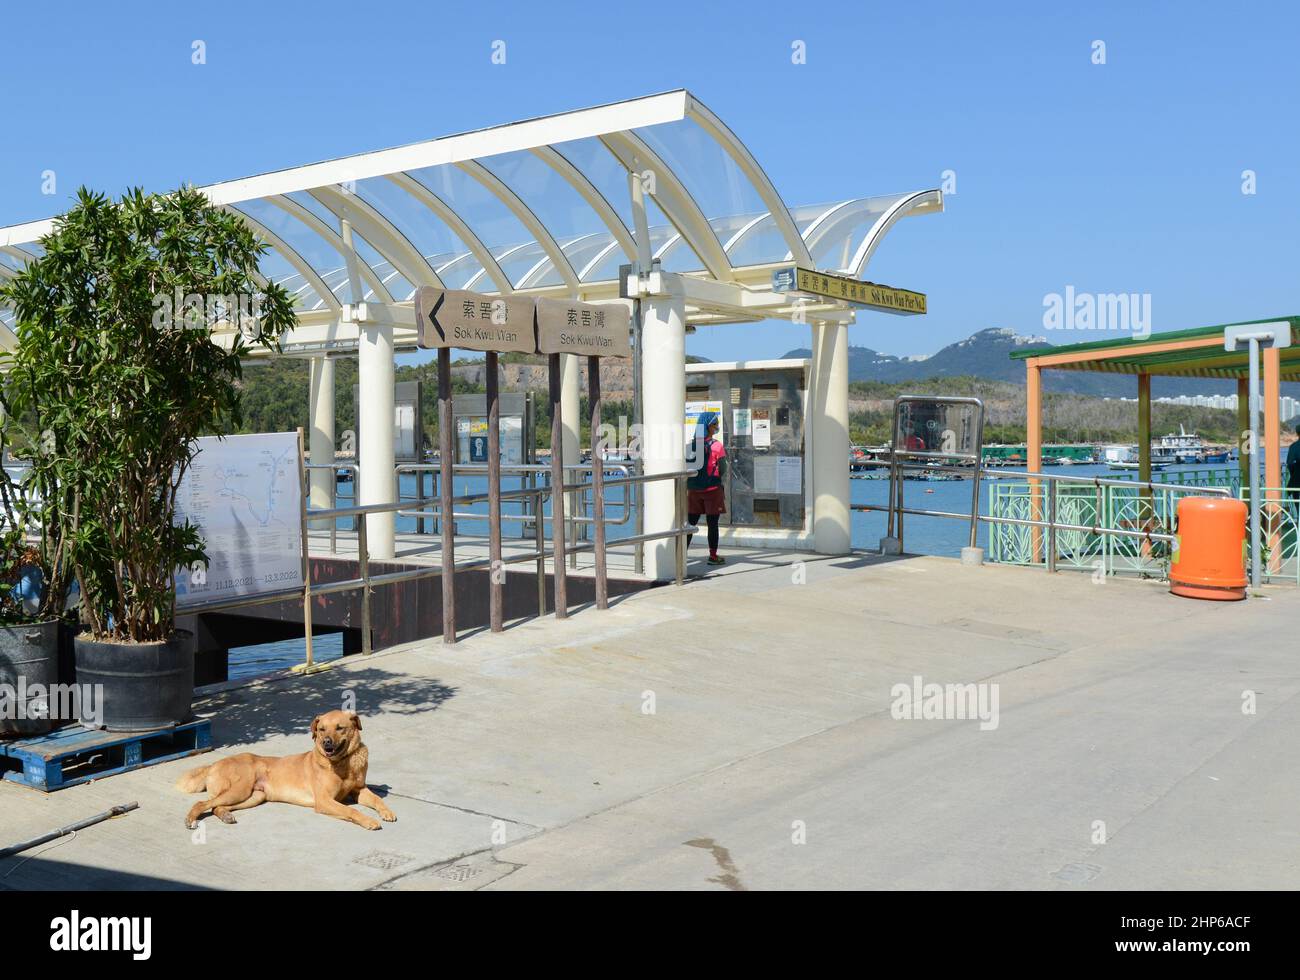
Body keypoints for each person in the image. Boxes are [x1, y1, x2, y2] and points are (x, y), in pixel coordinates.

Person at [686, 411, 727, 566]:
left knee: (690, 523)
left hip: (694, 491)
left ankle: (681, 554)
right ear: (709, 426)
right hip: (712, 490)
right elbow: (723, 468)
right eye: (715, 424)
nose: (717, 426)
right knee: (712, 523)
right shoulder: (716, 446)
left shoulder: (691, 445)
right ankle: (713, 556)